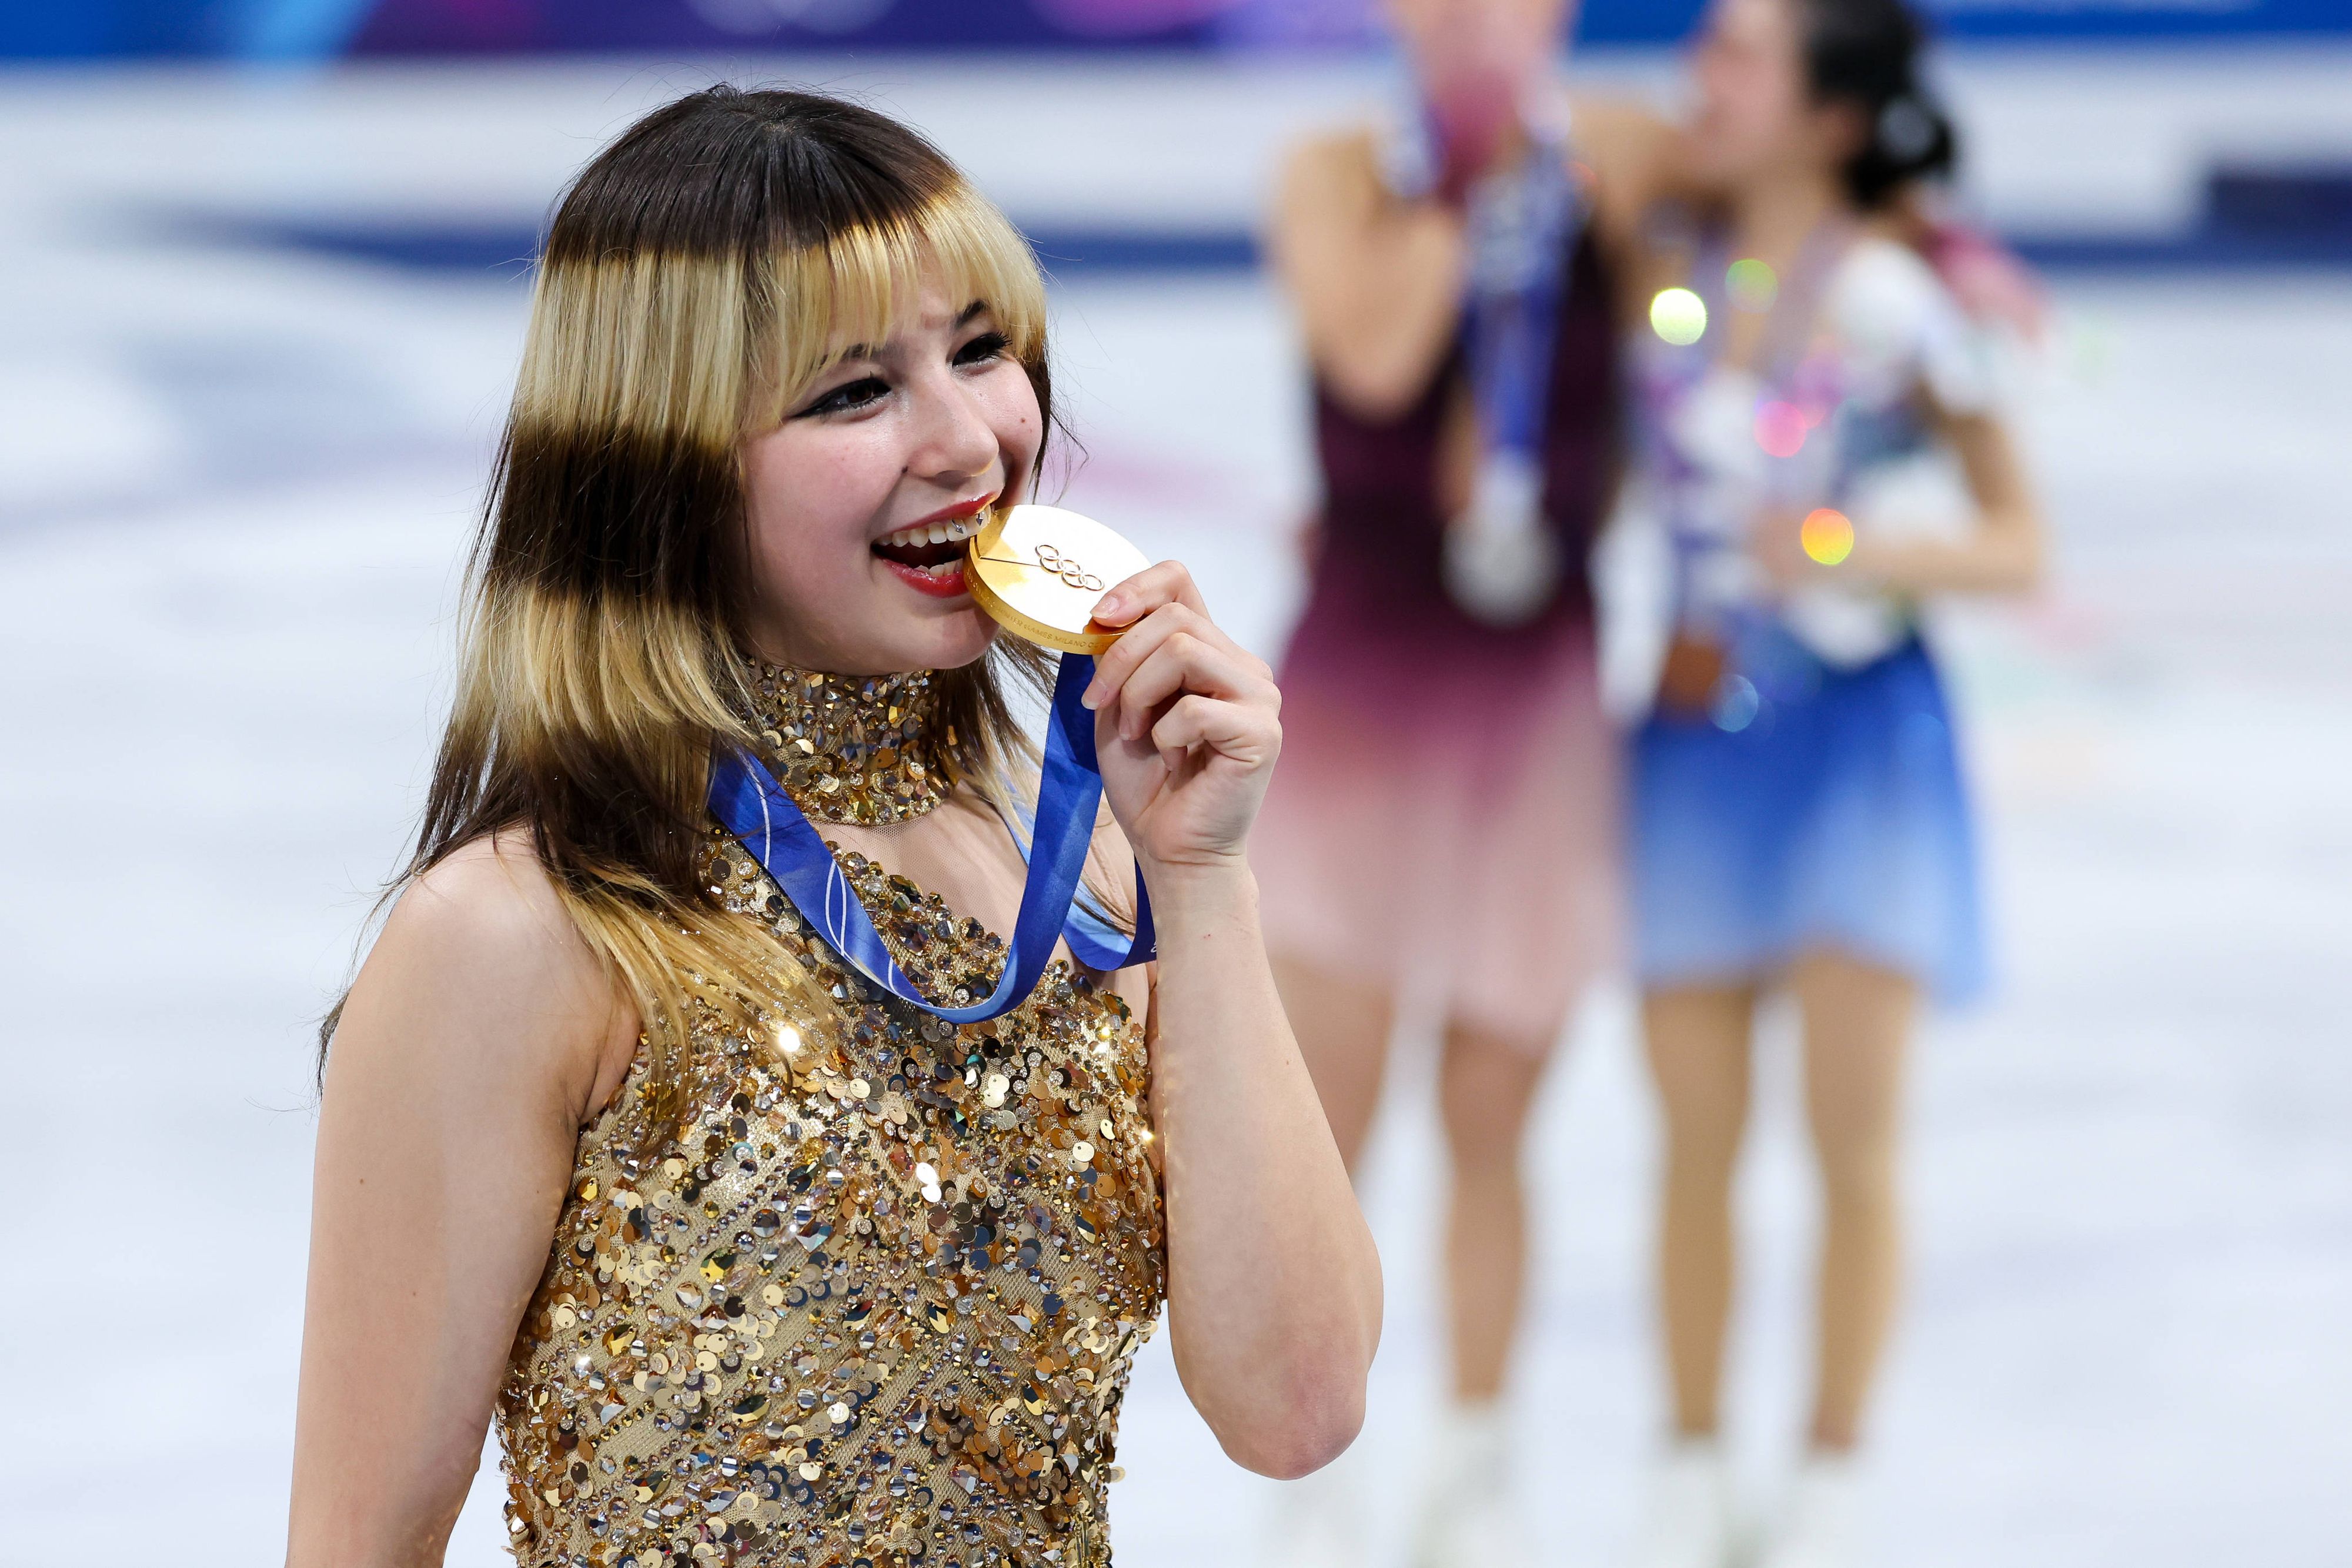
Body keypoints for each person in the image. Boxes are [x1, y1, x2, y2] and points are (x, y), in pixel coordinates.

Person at [285, 86, 1381, 1568]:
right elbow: (354, 1547)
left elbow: (1297, 1407)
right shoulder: (528, 931)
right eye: (851, 392)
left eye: (981, 349)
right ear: (662, 467)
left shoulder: (1085, 865)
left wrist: (1203, 879)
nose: (969, 443)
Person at [1254, 1, 1686, 1562]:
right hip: (1364, 688)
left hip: (1538, 692)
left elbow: (1763, 265)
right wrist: (1479, 214)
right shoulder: (1331, 173)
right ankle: (1312, 1468)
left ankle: (1481, 1466)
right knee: (1327, 1121)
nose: (1473, 21)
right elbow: (1369, 357)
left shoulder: (1625, 158)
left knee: (1495, 1114)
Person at [1618, 0, 2042, 1562]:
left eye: (1740, 57)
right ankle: (1683, 1470)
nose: (1698, 78)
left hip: (1860, 735)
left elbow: (2020, 534)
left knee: (1851, 1136)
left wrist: (1860, 548)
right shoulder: (1669, 258)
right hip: (1689, 740)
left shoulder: (1897, 298)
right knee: (1692, 1135)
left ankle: (1834, 1482)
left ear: (1831, 116)